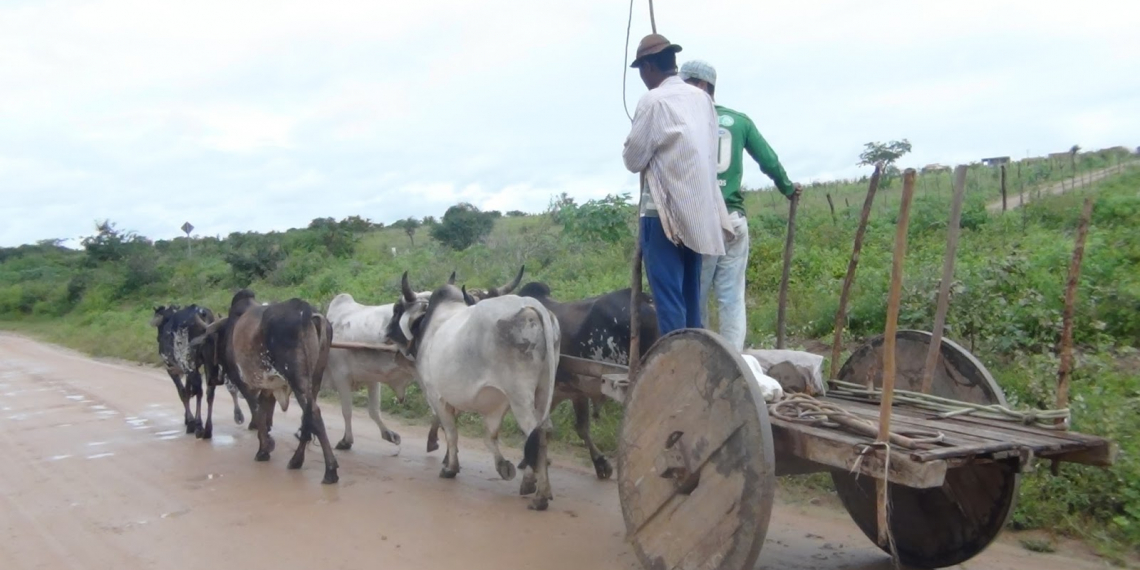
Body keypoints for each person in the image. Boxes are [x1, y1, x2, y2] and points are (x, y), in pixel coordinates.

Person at [679, 59, 801, 351]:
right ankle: (733, 358)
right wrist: (787, 188)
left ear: (701, 86)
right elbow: (768, 160)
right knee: (731, 297)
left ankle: (701, 354)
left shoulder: (685, 122)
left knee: (696, 295)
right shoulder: (740, 121)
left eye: (686, 85)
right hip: (734, 219)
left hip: (703, 223)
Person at [622, 34, 735, 337]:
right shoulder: (702, 100)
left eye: (642, 71)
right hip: (699, 212)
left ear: (648, 67)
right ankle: (696, 357)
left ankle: (677, 366)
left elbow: (633, 159)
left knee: (669, 299)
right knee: (690, 298)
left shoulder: (652, 101)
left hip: (663, 215)